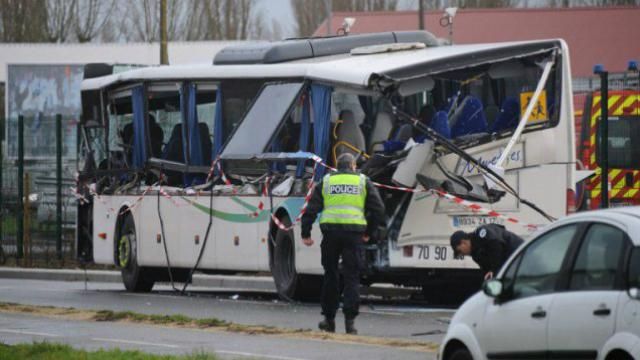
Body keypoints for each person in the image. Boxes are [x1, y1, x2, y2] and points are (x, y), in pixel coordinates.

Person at [301, 153, 386, 335]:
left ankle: (329, 320)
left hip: (331, 234)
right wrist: (369, 233)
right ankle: (350, 322)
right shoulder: (363, 181)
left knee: (331, 276)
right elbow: (378, 209)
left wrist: (305, 232)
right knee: (352, 277)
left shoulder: (327, 181)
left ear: (337, 166)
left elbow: (312, 208)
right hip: (354, 235)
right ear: (353, 165)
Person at [450, 224, 524, 281]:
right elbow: (487, 273)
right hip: (512, 262)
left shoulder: (481, 233)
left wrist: (494, 270)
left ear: (463, 243)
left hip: (520, 252)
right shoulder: (476, 256)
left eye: (459, 251)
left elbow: (496, 245)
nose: (461, 254)